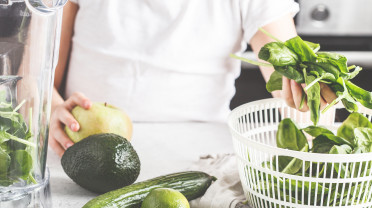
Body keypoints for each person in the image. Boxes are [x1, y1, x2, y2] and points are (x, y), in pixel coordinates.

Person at [48, 0, 336, 156]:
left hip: (203, 160)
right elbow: (34, 74)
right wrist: (50, 108)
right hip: (83, 153)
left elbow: (289, 66)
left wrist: (312, 89)